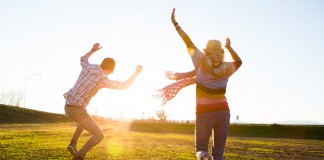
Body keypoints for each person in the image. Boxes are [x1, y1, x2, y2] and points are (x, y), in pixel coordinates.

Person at [157, 8, 242, 160]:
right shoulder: (227, 67)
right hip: (223, 111)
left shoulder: (200, 59)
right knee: (219, 155)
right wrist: (230, 47)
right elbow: (239, 62)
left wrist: (175, 24)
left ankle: (204, 157)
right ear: (221, 52)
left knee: (201, 149)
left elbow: (187, 40)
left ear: (206, 50)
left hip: (204, 112)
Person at [63, 43, 143, 160]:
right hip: (77, 110)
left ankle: (73, 143)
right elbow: (124, 85)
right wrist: (137, 72)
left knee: (84, 120)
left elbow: (83, 59)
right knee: (99, 135)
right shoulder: (102, 79)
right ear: (111, 70)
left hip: (67, 106)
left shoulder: (89, 67)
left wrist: (93, 50)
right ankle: (79, 156)